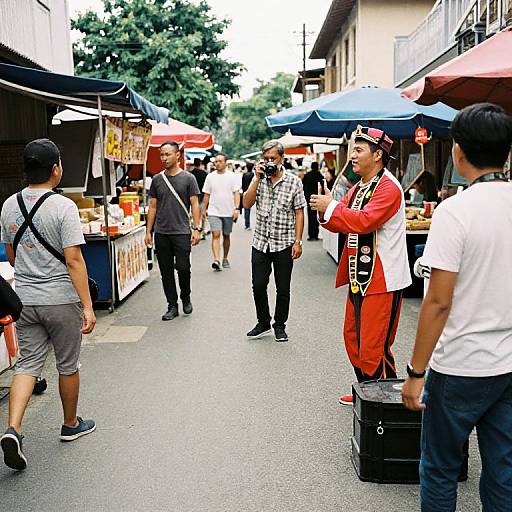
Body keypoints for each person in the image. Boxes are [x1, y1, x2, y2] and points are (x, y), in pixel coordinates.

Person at [401, 103, 512, 512]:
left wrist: (415, 374)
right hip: (508, 364)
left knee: (440, 467)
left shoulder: (454, 211)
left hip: (461, 366)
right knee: (503, 469)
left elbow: (438, 300)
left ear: (458, 151)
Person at [0, 139, 97, 471]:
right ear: (56, 168)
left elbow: (12, 256)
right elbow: (74, 260)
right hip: (61, 300)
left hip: (25, 299)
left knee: (27, 365)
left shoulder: (9, 205)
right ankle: (70, 424)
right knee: (68, 364)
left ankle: (13, 428)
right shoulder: (63, 206)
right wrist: (87, 306)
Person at [310, 125, 411, 405]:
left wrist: (329, 206)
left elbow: (364, 220)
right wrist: (325, 209)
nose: (352, 155)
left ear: (378, 155)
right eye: (352, 149)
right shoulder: (361, 186)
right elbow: (340, 218)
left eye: (358, 150)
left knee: (373, 344)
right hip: (361, 273)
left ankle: (379, 400)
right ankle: (366, 391)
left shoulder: (388, 187)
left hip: (383, 277)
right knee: (353, 337)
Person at [243, 140, 306, 343]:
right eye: (266, 158)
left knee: (283, 287)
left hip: (284, 242)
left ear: (282, 159)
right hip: (261, 242)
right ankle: (263, 321)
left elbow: (299, 212)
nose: (269, 162)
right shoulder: (258, 179)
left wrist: (298, 241)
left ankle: (280, 325)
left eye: (273, 158)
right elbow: (246, 203)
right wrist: (256, 178)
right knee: (258, 285)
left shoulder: (294, 181)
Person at [146, 141, 201, 321]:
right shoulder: (156, 180)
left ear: (178, 155)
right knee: (166, 271)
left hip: (182, 231)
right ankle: (172, 304)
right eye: (162, 155)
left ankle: (186, 296)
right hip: (162, 232)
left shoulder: (188, 178)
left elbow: (194, 204)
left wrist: (196, 228)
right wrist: (148, 231)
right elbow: (152, 206)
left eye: (167, 154)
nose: (164, 158)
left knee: (184, 267)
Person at [201, 153, 240, 271]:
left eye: (220, 161)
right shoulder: (210, 177)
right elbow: (206, 194)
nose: (217, 163)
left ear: (226, 163)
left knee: (226, 235)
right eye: (216, 161)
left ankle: (225, 258)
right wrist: (204, 209)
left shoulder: (233, 176)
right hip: (214, 210)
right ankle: (216, 260)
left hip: (228, 211)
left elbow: (236, 193)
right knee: (216, 235)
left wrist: (237, 208)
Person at [302, 162, 324, 241]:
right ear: (317, 167)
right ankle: (315, 235)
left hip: (309, 199)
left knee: (310, 217)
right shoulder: (319, 175)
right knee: (316, 216)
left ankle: (311, 235)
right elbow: (323, 185)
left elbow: (303, 185)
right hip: (317, 198)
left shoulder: (307, 175)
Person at [241, 162, 255, 230]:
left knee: (247, 209)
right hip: (253, 193)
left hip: (245, 193)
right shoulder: (254, 175)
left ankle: (247, 225)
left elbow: (242, 184)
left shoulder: (244, 175)